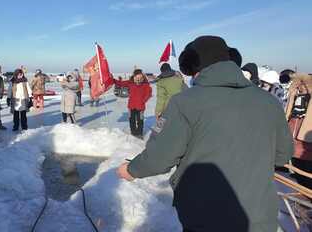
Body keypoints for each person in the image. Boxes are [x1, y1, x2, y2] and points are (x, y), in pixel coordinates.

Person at [117, 36, 294, 232]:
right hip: (260, 216)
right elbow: (282, 155)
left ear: (193, 67)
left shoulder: (184, 102)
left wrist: (132, 170)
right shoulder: (268, 102)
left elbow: (159, 158)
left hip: (207, 216)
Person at [285, 73, 312, 189]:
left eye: (304, 84)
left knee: (306, 169)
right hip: (294, 139)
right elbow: (288, 112)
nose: (301, 87)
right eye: (299, 84)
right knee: (297, 168)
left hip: (306, 144)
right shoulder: (295, 96)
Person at [113, 69, 152, 139]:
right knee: (132, 120)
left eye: (140, 78)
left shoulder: (145, 85)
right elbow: (120, 83)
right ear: (134, 77)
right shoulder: (130, 83)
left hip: (141, 107)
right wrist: (112, 80)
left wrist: (143, 100)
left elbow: (149, 93)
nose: (138, 79)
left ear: (142, 77)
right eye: (137, 77)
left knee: (140, 120)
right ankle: (133, 132)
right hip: (131, 106)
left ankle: (139, 133)